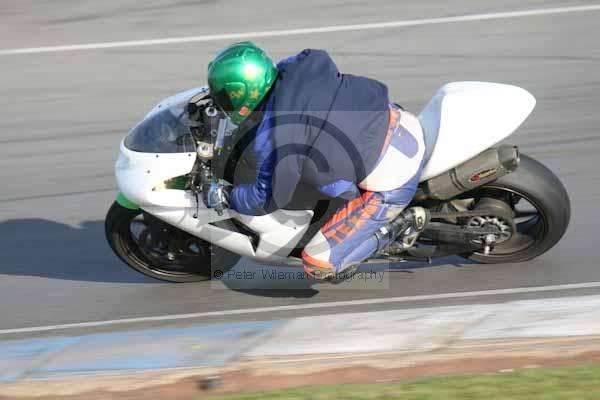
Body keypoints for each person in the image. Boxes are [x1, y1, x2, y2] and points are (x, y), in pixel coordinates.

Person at [207, 41, 428, 280]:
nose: (220, 102)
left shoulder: (278, 137)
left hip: (394, 178)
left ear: (243, 93)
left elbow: (268, 198)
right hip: (394, 118)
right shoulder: (299, 66)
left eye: (224, 97)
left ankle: (397, 229)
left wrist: (227, 196)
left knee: (318, 264)